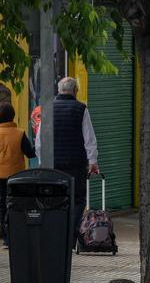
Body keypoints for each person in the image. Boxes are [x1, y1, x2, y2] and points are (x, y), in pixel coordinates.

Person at [34, 78, 99, 246]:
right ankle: (71, 235)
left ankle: (56, 234)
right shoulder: (81, 109)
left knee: (55, 198)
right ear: (75, 91)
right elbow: (89, 139)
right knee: (77, 199)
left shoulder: (47, 110)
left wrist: (42, 161)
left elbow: (40, 140)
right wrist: (92, 161)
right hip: (75, 164)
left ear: (59, 90)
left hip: (53, 165)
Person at [0, 102, 37, 246]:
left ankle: (4, 234)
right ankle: (11, 235)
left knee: (1, 204)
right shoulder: (19, 133)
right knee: (13, 205)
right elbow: (30, 154)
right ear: (13, 116)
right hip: (15, 177)